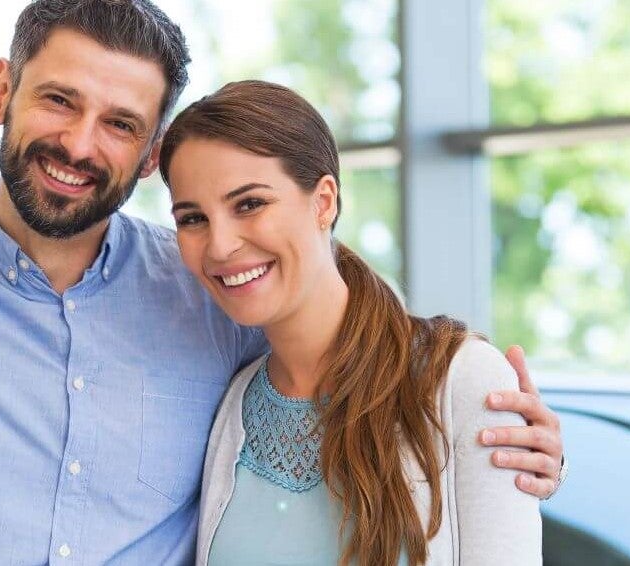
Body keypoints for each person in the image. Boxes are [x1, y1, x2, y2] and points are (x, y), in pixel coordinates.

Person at [0, 1, 564, 563]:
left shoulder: (208, 290)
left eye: (120, 123)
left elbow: (352, 358)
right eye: (58, 100)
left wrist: (505, 433)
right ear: (0, 93)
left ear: (150, 152)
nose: (80, 144)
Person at [161, 81, 542, 565]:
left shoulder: (460, 379)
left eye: (249, 204)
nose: (220, 245)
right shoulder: (231, 406)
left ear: (324, 202)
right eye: (193, 218)